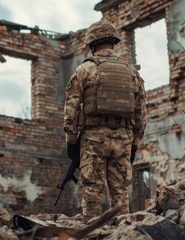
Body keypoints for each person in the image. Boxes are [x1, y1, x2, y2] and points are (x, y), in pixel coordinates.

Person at [63, 20, 147, 217]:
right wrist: (134, 144)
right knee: (120, 194)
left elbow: (71, 109)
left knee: (92, 189)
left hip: (93, 139)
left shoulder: (84, 70)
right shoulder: (132, 72)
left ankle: (92, 234)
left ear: (92, 44)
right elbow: (141, 113)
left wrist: (71, 142)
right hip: (123, 138)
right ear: (113, 42)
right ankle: (124, 234)